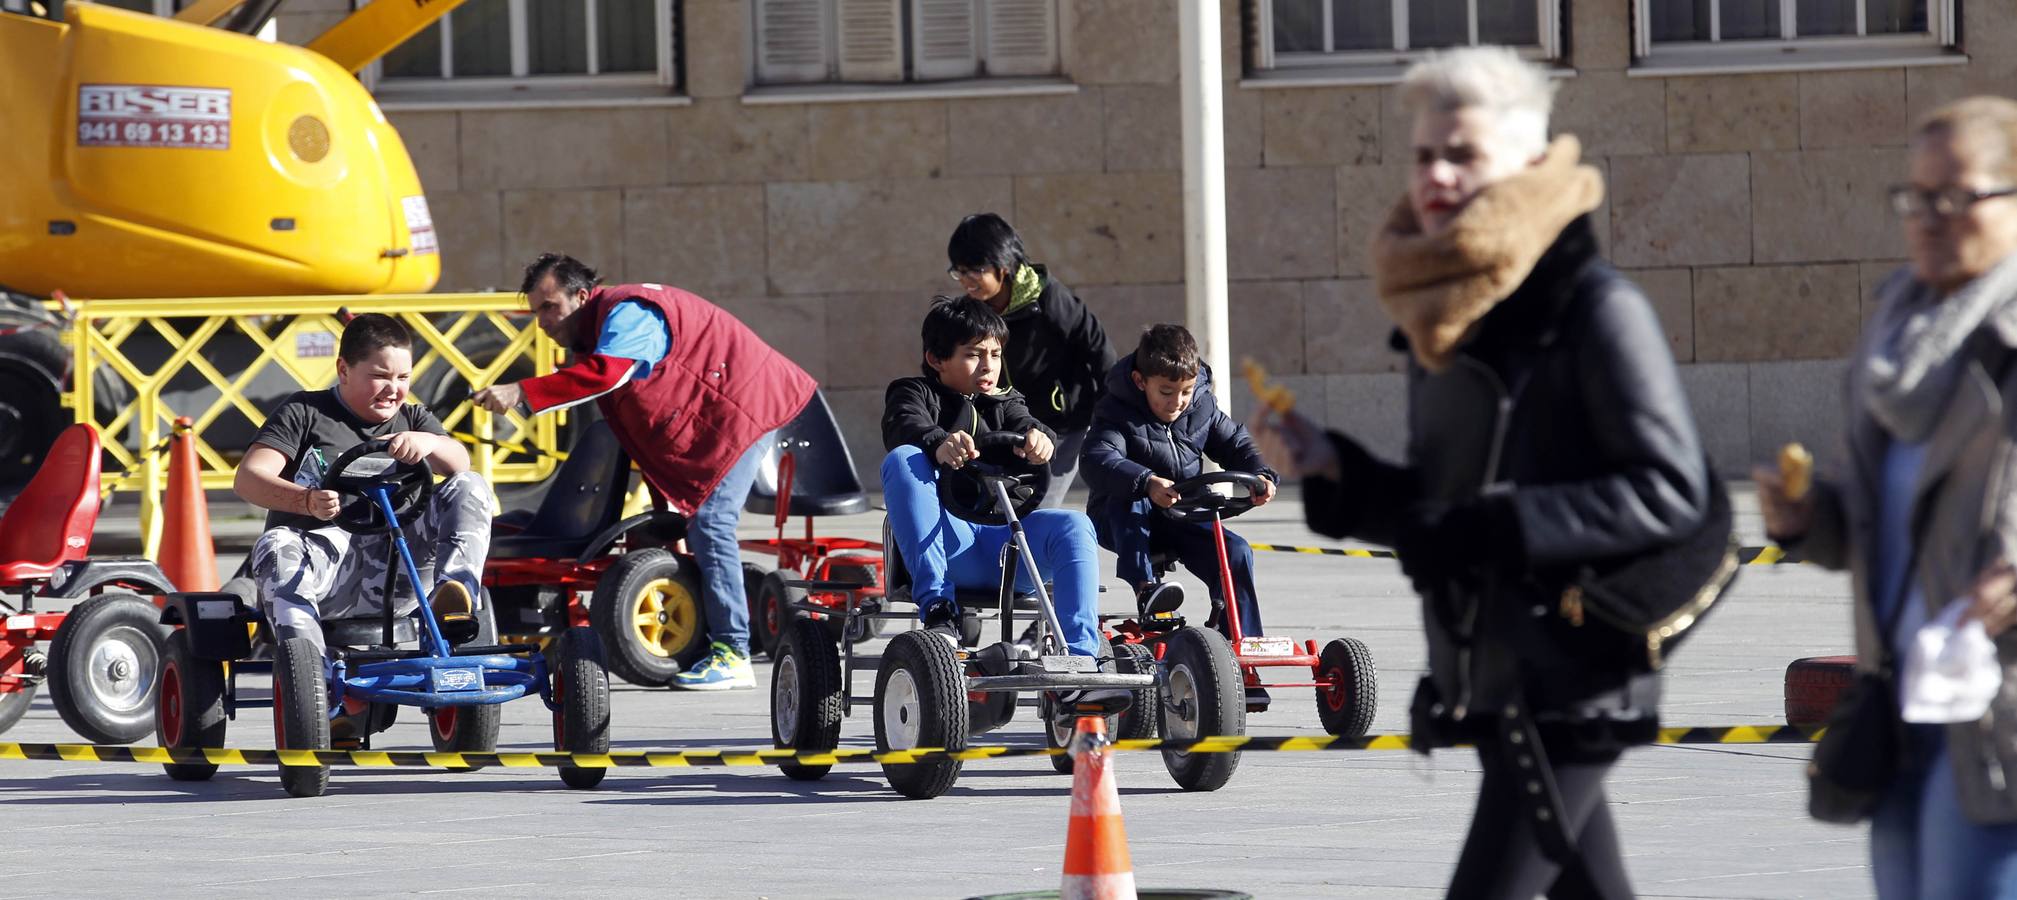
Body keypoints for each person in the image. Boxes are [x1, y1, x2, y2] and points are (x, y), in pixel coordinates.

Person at [1251, 47, 1709, 899]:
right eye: (1425, 155)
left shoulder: (1596, 309)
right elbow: (1439, 514)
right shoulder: (1447, 314)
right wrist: (1335, 470)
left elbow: (1671, 490)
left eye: (1463, 154)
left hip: (1576, 670)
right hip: (1498, 669)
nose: (1436, 176)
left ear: (1530, 164)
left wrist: (1494, 527)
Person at [1758, 96, 2017, 899]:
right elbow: (1877, 528)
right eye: (1916, 197)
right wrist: (1809, 519)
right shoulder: (1893, 340)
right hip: (1897, 703)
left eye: (1957, 195)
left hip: (1997, 714)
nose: (1930, 219)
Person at [473, 254, 815, 691]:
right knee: (676, 528)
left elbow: (611, 374)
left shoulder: (629, 312)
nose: (542, 322)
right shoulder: (599, 327)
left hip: (746, 409)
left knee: (711, 524)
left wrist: (522, 392)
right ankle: (707, 626)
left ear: (581, 296)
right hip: (716, 418)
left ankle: (732, 651)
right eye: (536, 311)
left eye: (549, 307)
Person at [238, 314, 491, 739]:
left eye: (403, 377)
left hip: (399, 569)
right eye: (379, 376)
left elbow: (459, 464)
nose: (393, 388)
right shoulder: (305, 411)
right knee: (276, 543)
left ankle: (456, 594)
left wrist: (429, 443)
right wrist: (304, 500)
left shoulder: (411, 415)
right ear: (343, 370)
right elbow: (249, 477)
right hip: (325, 563)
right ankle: (312, 679)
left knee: (470, 486)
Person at [881, 296, 1119, 701]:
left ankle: (1079, 662)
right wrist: (939, 443)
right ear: (937, 359)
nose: (988, 365)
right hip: (946, 542)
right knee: (904, 459)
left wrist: (1039, 438)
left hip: (1006, 549)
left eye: (994, 353)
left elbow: (1028, 422)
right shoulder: (915, 393)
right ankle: (939, 613)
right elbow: (906, 423)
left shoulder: (1006, 403)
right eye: (973, 355)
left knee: (1075, 524)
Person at [1080, 324, 1278, 643]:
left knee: (1237, 551)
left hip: (1181, 511)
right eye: (1166, 393)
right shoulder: (1115, 411)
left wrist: (1261, 474)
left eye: (1185, 391)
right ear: (1140, 381)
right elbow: (1098, 458)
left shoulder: (1201, 406)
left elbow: (1235, 443)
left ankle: (1240, 645)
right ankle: (1148, 591)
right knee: (1132, 498)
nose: (1178, 402)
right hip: (1119, 518)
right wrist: (1147, 481)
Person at [947, 213, 1115, 509]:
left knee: (1037, 508)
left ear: (1003, 266)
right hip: (1005, 426)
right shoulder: (971, 312)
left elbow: (1099, 350)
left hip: (1061, 425)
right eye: (959, 272)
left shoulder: (1050, 300)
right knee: (996, 509)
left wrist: (1112, 415)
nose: (965, 281)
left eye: (974, 271)